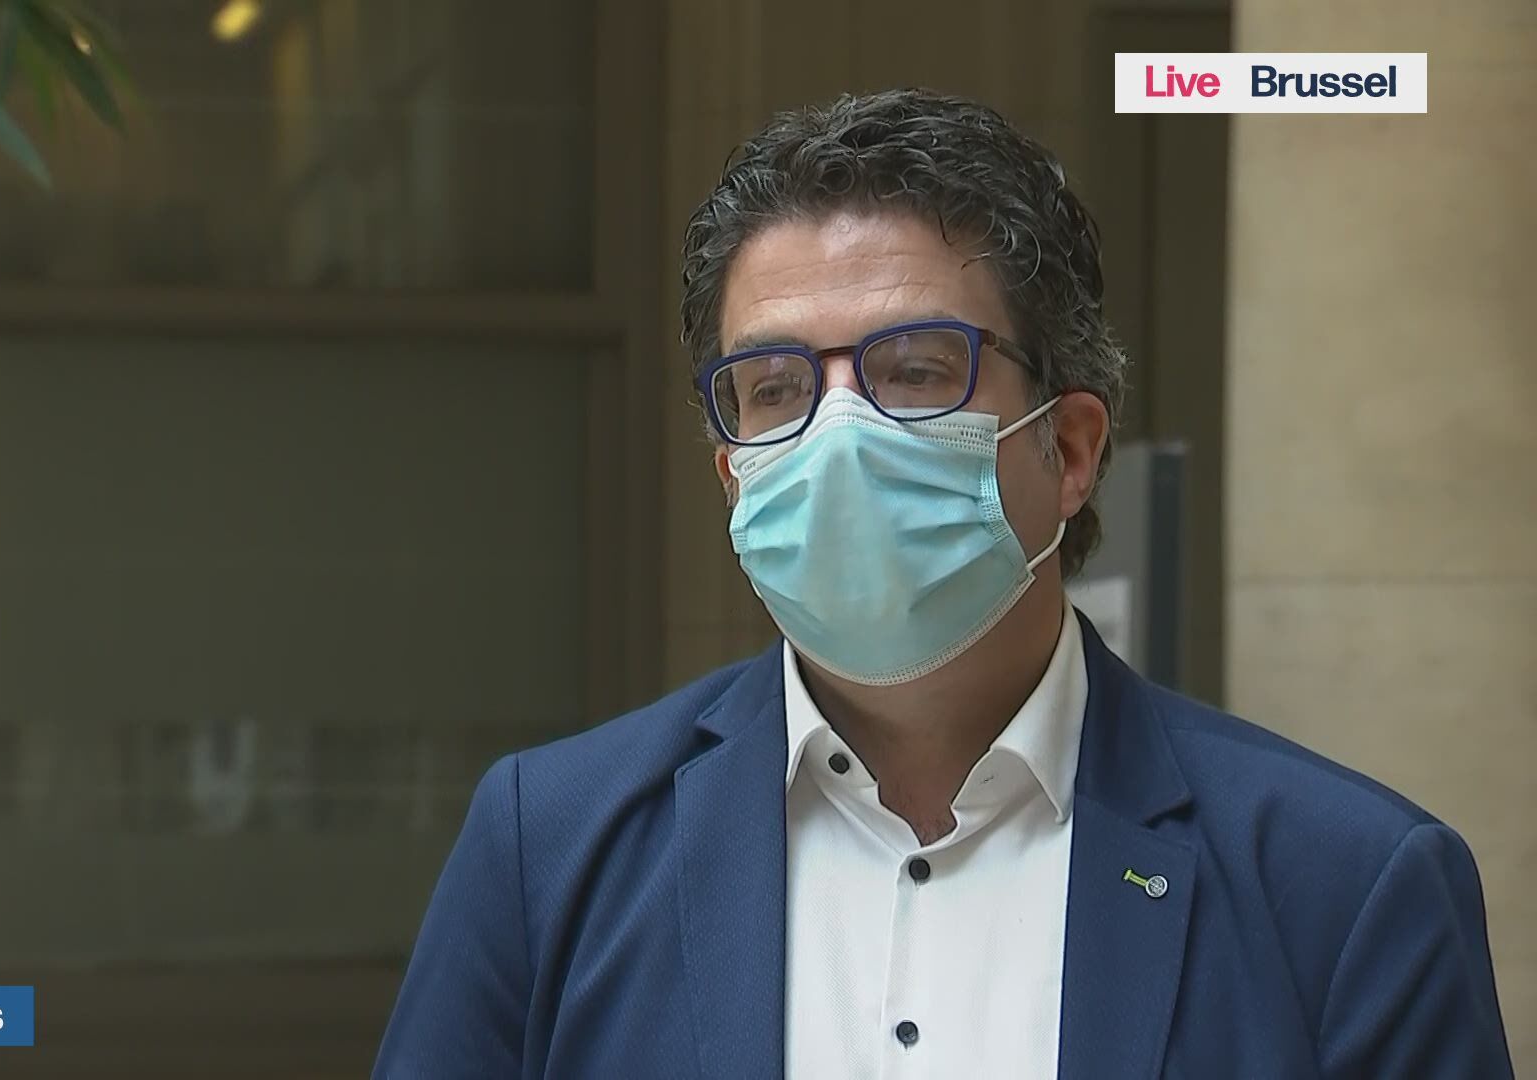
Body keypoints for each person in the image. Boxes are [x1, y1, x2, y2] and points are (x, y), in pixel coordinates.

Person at [373, 88, 1515, 1079]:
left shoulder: (1344, 886)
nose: (837, 435)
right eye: (774, 388)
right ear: (733, 473)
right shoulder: (549, 849)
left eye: (915, 370)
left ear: (1070, 450)